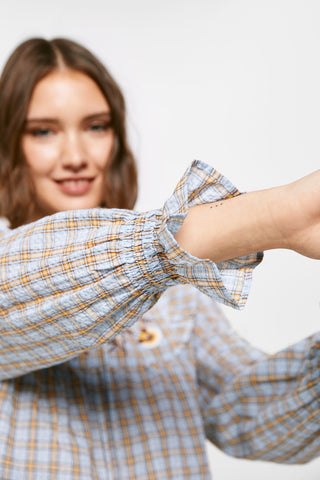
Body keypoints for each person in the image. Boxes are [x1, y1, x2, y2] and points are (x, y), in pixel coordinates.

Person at [0, 37, 319, 480]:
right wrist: (278, 216)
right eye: (43, 131)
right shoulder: (12, 276)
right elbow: (20, 293)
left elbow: (250, 420)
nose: (75, 157)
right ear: (9, 144)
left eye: (96, 126)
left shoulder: (177, 300)